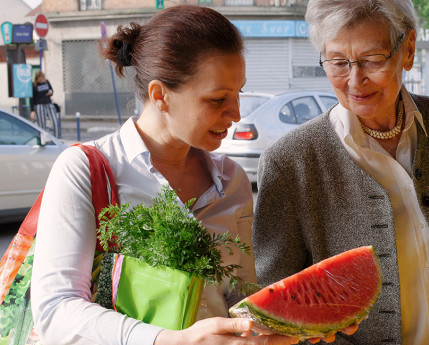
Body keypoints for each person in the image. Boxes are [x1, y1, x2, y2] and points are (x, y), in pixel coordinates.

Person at [30, 6, 299, 345]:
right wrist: (169, 339)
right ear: (160, 95)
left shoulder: (232, 180)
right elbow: (56, 309)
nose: (236, 113)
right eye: (217, 99)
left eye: (238, 92)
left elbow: (239, 300)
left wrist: (298, 321)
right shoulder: (86, 170)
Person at [252, 0, 429, 344]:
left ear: (408, 50)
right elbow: (275, 303)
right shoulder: (291, 161)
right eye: (338, 62)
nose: (355, 80)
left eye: (372, 60)